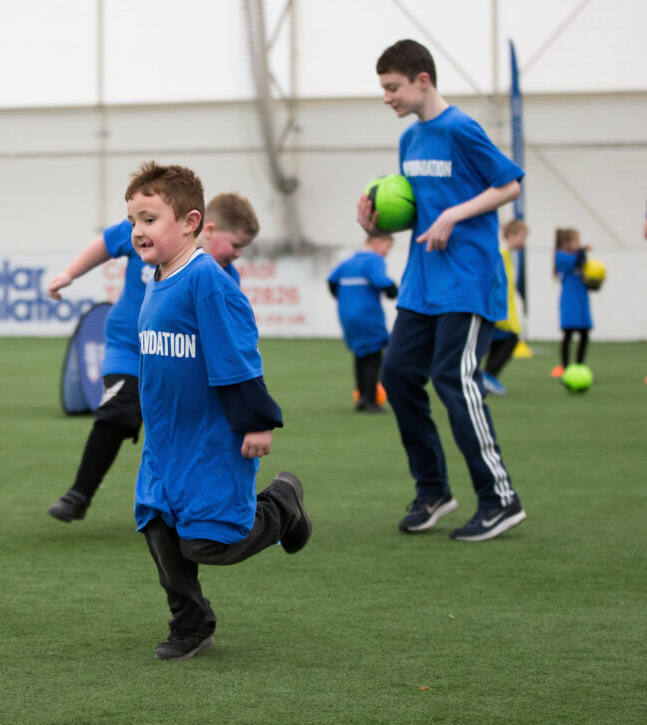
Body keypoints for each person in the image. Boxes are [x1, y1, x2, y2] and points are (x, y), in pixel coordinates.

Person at [125, 161, 311, 661]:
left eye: (150, 219)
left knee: (211, 543)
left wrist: (255, 420)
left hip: (210, 440)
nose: (139, 231)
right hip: (166, 441)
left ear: (190, 222)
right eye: (135, 221)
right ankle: (191, 625)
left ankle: (282, 505)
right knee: (159, 528)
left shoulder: (207, 279)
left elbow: (236, 352)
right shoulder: (156, 277)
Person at [357, 39, 527, 542]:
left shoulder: (461, 129)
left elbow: (510, 185)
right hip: (421, 283)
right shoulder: (411, 141)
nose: (386, 96)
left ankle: (500, 499)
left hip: (468, 280)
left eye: (392, 87)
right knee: (398, 374)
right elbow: (415, 208)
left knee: (454, 378)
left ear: (422, 80)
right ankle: (433, 490)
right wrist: (373, 220)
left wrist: (455, 213)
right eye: (383, 88)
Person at [46, 193, 261, 522]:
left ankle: (170, 503)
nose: (238, 254)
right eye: (236, 245)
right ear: (211, 229)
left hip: (177, 362)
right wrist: (70, 274)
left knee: (179, 430)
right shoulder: (149, 234)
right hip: (129, 348)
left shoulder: (223, 278)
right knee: (118, 410)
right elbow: (105, 244)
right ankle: (79, 494)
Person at [326, 232, 398, 412]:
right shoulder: (373, 260)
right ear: (377, 241)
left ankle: (362, 397)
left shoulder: (349, 261)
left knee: (360, 355)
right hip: (367, 315)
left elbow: (332, 280)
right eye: (387, 247)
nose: (386, 253)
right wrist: (393, 291)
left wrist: (344, 299)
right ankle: (371, 400)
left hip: (347, 314)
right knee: (374, 356)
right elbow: (382, 282)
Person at [482, 219, 528, 395]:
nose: (523, 242)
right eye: (522, 237)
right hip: (498, 311)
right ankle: (487, 375)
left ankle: (487, 376)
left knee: (498, 342)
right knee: (510, 340)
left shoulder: (507, 255)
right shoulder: (501, 254)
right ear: (511, 235)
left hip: (503, 310)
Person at [552, 227, 592, 375]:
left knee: (584, 334)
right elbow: (576, 262)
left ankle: (580, 366)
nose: (578, 243)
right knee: (567, 335)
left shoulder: (578, 256)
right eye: (575, 240)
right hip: (569, 300)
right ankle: (566, 367)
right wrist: (582, 250)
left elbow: (586, 269)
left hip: (581, 299)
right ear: (565, 243)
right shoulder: (561, 256)